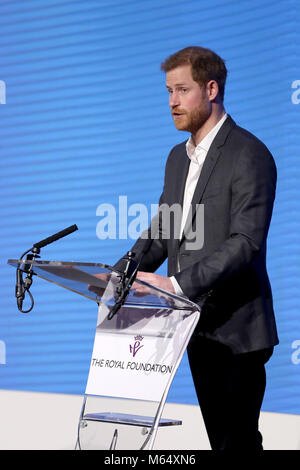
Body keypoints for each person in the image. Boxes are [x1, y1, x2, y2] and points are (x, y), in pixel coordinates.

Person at [115, 46, 279, 450]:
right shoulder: (177, 158)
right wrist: (120, 273)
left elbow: (245, 244)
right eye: (168, 91)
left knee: (236, 444)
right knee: (221, 442)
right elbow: (163, 230)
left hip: (237, 332)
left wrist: (173, 285)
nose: (172, 102)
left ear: (211, 89)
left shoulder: (249, 155)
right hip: (195, 328)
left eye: (181, 90)